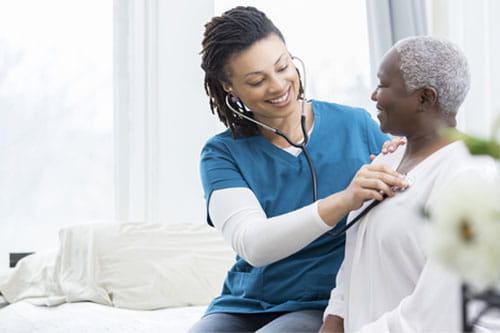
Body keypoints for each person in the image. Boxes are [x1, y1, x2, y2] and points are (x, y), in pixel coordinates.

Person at [189, 6, 408, 333]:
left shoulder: (356, 126)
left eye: (282, 66)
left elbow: (411, 198)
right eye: (257, 80)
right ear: (229, 88)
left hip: (321, 302)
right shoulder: (221, 153)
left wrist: (405, 156)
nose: (277, 86)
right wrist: (345, 200)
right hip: (245, 304)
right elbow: (254, 245)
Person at [320, 36, 498, 332]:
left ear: (424, 98)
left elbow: (437, 314)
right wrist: (334, 319)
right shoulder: (384, 162)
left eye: (384, 85)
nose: (374, 95)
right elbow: (357, 259)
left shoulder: (469, 178)